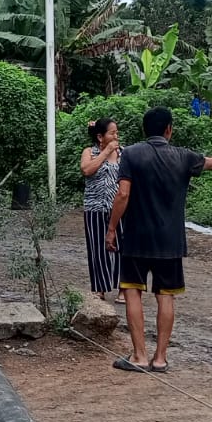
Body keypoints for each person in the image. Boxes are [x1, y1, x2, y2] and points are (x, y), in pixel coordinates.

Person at [105, 106, 212, 373]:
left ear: (145, 129)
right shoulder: (184, 157)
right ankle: (160, 359)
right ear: (169, 130)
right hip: (170, 242)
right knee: (166, 296)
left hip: (137, 238)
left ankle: (139, 356)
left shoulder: (131, 154)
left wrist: (111, 229)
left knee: (132, 292)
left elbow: (123, 194)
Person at [79, 117, 122, 302]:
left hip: (118, 209)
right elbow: (87, 170)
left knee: (121, 248)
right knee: (97, 248)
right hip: (94, 208)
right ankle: (99, 288)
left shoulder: (123, 154)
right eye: (112, 133)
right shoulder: (89, 152)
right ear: (100, 136)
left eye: (117, 132)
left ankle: (123, 289)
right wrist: (106, 152)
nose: (116, 136)